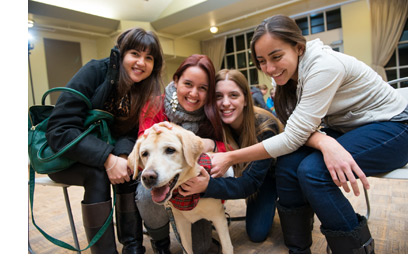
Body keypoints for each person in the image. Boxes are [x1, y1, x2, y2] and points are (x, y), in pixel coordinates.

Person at [210, 15, 408, 254]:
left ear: (298, 47)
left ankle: (356, 255)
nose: (269, 69)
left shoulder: (323, 66)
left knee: (313, 171)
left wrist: (230, 157)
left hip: (394, 127)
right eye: (261, 61)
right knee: (287, 164)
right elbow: (296, 131)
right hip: (349, 129)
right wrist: (324, 141)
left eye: (276, 56)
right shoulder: (283, 79)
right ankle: (299, 251)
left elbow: (293, 136)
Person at [46, 28, 164, 254]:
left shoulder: (140, 88)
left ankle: (133, 248)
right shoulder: (94, 71)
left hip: (102, 151)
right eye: (135, 54)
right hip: (65, 155)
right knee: (97, 174)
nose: (141, 62)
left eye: (149, 58)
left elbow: (128, 133)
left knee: (129, 168)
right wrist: (107, 159)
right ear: (121, 53)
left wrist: (120, 157)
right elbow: (59, 130)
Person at [178, 69, 282, 242]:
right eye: (218, 96)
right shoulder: (213, 123)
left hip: (269, 177)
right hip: (244, 176)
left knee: (257, 233)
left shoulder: (265, 127)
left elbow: (250, 183)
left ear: (246, 99)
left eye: (233, 95)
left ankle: (297, 207)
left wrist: (207, 186)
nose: (225, 103)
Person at [136, 54, 225, 253]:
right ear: (175, 81)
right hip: (159, 174)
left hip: (193, 184)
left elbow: (229, 147)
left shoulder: (212, 112)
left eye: (203, 88)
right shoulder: (154, 105)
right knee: (145, 194)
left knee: (201, 249)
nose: (194, 93)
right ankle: (160, 241)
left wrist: (209, 143)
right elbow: (144, 145)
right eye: (188, 84)